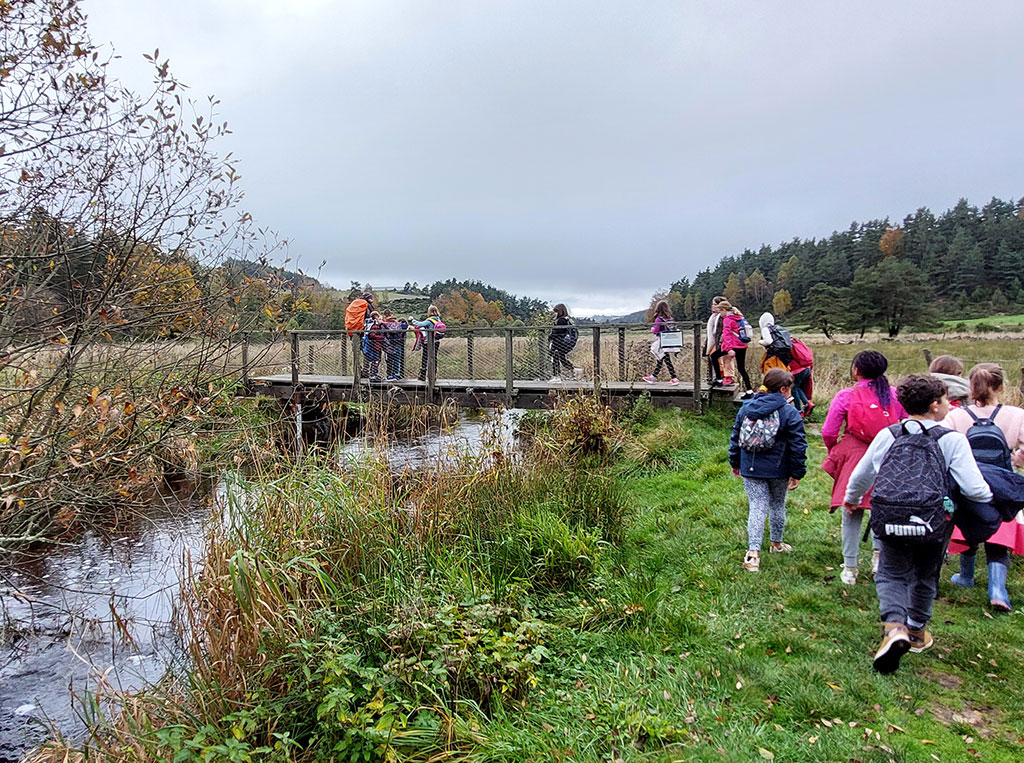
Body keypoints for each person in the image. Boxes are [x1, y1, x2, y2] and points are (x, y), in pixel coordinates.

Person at [843, 375, 991, 674]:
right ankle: (916, 631)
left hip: (891, 517)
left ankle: (894, 627)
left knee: (891, 573)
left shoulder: (889, 435)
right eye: (947, 399)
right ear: (935, 405)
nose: (950, 404)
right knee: (926, 572)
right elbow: (975, 489)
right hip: (933, 520)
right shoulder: (952, 440)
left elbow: (862, 474)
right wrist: (991, 496)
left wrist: (851, 498)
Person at [943, 363, 1024, 611]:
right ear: (1001, 387)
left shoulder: (957, 416)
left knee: (967, 523)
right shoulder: (1016, 414)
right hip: (1003, 480)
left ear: (971, 386)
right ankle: (998, 589)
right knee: (1000, 528)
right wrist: (1015, 459)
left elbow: (943, 446)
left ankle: (966, 576)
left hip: (967, 480)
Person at [821, 351, 906, 585]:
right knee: (882, 508)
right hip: (888, 454)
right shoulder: (895, 395)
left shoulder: (846, 396)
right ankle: (879, 560)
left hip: (855, 454)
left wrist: (836, 451)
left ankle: (850, 568)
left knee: (851, 509)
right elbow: (907, 423)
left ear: (856, 370)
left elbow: (829, 431)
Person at [729, 369, 807, 573]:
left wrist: (734, 462)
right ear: (783, 389)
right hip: (779, 469)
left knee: (756, 506)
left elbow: (735, 436)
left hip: (750, 466)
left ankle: (753, 554)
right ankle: (776, 544)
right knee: (777, 504)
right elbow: (798, 445)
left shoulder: (746, 407)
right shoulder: (789, 412)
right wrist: (797, 472)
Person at [643, 300, 680, 385]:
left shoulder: (659, 319)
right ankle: (653, 377)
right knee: (663, 359)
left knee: (663, 359)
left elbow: (656, 331)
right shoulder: (670, 318)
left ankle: (674, 378)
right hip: (670, 341)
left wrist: (652, 329)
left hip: (662, 342)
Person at [719, 301, 753, 393]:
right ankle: (749, 390)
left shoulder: (727, 319)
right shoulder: (739, 317)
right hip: (743, 345)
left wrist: (729, 349)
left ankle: (718, 378)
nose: (720, 314)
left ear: (724, 310)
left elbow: (727, 335)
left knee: (714, 356)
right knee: (742, 368)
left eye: (720, 311)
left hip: (733, 346)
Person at [411, 305, 444, 382]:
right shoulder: (438, 320)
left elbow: (419, 324)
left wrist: (413, 320)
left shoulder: (429, 321)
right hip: (436, 341)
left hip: (428, 342)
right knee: (434, 357)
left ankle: (423, 375)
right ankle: (433, 375)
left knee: (425, 358)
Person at [549, 303, 579, 381]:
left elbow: (558, 332)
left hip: (558, 343)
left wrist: (551, 336)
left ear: (560, 311)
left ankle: (556, 376)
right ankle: (574, 371)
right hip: (564, 343)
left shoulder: (561, 320)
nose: (556, 313)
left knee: (555, 358)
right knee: (562, 359)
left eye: (557, 311)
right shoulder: (566, 319)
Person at [789, 337, 815, 417]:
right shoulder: (797, 342)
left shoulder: (788, 345)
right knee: (797, 387)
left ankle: (798, 411)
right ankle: (808, 404)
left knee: (794, 389)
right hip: (806, 368)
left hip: (798, 370)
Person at [705, 296, 727, 385]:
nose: (713, 306)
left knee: (716, 359)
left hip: (718, 341)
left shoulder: (721, 317)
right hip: (712, 341)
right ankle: (712, 377)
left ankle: (719, 378)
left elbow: (718, 331)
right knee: (711, 358)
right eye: (712, 304)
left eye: (715, 304)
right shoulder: (713, 316)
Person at [382, 312, 408, 381]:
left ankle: (389, 375)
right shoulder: (399, 325)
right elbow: (406, 326)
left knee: (389, 361)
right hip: (397, 345)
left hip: (388, 345)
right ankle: (396, 374)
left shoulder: (385, 325)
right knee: (397, 360)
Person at [362, 310, 384, 380]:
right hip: (376, 346)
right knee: (376, 360)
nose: (381, 320)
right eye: (380, 319)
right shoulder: (374, 326)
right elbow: (372, 335)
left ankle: (374, 373)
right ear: (376, 317)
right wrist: (381, 338)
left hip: (375, 346)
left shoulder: (371, 325)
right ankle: (373, 374)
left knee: (376, 360)